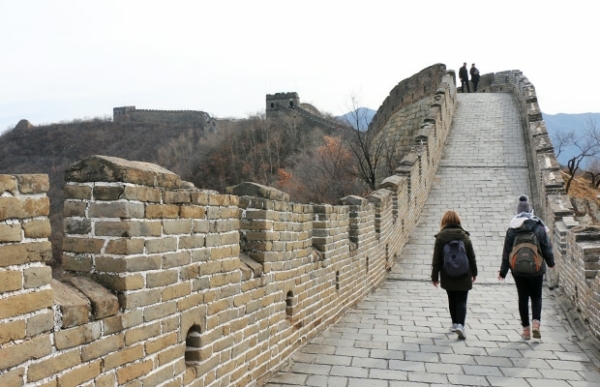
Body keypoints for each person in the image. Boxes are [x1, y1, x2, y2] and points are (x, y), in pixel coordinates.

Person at [498, 195, 556, 340]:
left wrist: (503, 271)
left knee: (523, 297)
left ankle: (526, 330)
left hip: (517, 269)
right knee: (536, 296)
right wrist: (551, 263)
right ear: (530, 210)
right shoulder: (539, 226)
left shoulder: (512, 229)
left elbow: (506, 252)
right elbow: (547, 248)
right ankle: (536, 323)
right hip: (537, 268)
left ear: (518, 211)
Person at [431, 210, 477, 339]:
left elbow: (437, 259)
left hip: (447, 273)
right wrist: (474, 272)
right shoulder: (464, 236)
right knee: (462, 299)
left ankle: (455, 323)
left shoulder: (440, 238)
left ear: (444, 222)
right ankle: (461, 325)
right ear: (458, 221)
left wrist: (435, 277)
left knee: (452, 298)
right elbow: (471, 257)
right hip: (464, 273)